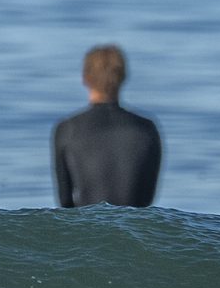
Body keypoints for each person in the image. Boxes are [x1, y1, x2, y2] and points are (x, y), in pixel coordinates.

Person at [52, 44, 162, 208]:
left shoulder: (67, 129)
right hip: (133, 228)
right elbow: (147, 199)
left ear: (85, 78)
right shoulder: (147, 129)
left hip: (87, 226)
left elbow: (65, 202)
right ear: (123, 77)